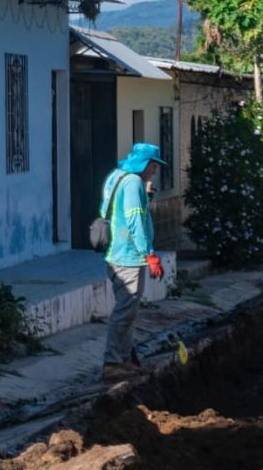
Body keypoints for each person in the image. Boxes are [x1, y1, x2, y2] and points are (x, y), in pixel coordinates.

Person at [101, 143, 165, 381]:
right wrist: (148, 253)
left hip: (114, 253)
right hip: (128, 255)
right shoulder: (133, 183)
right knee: (125, 311)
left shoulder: (116, 177)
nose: (154, 172)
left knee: (127, 311)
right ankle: (112, 362)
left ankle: (125, 359)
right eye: (154, 166)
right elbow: (135, 220)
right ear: (146, 164)